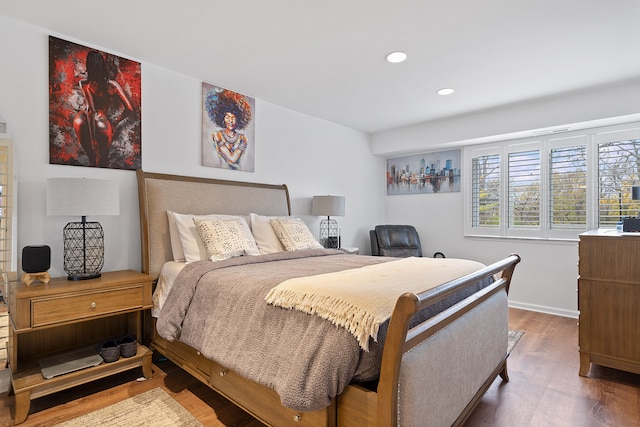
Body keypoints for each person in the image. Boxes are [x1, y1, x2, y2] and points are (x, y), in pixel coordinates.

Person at [73, 50, 133, 167]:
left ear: (89, 66)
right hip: (101, 121)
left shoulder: (84, 84)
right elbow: (129, 108)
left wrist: (92, 139)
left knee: (92, 161)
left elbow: (90, 110)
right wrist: (115, 123)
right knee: (103, 162)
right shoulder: (112, 85)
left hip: (80, 120)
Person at [205, 88, 252, 170]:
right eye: (228, 117)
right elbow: (230, 158)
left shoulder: (243, 138)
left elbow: (233, 159)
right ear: (222, 118)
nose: (230, 121)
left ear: (238, 119)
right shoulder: (217, 135)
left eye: (233, 118)